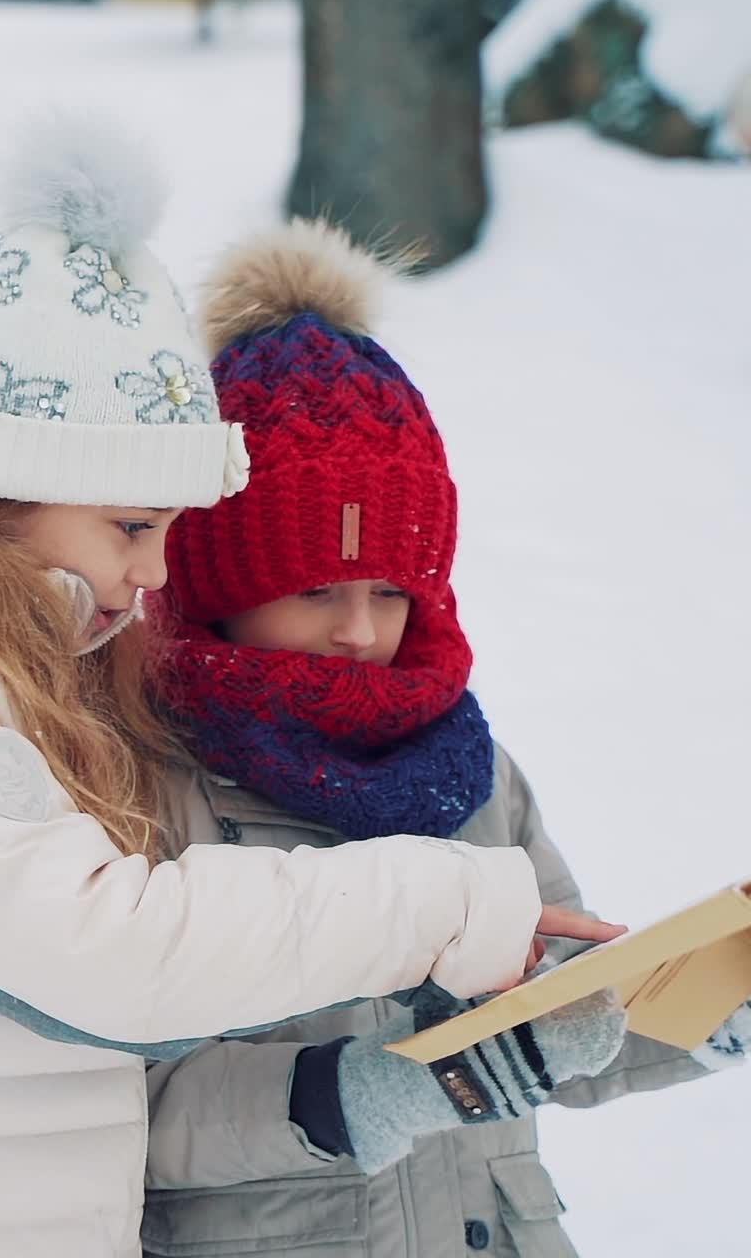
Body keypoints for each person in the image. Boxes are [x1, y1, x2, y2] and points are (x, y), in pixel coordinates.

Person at [0, 120, 614, 1257]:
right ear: (8, 483)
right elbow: (101, 955)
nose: (157, 571)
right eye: (132, 524)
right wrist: (438, 904)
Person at [142, 217, 750, 1258]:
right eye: (314, 589)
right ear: (214, 577)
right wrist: (377, 1088)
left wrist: (715, 999)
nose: (359, 630)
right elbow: (114, 1108)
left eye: (390, 588)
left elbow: (567, 1022)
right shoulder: (148, 776)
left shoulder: (465, 768)